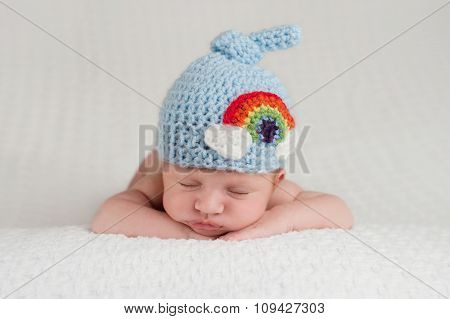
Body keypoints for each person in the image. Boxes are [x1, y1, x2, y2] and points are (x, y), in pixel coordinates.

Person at [91, 25, 353, 241]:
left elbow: (340, 212)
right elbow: (107, 216)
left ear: (276, 181)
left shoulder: (277, 192)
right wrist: (184, 234)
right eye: (188, 184)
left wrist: (279, 221)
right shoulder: (157, 181)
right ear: (166, 169)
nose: (207, 207)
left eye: (237, 191)